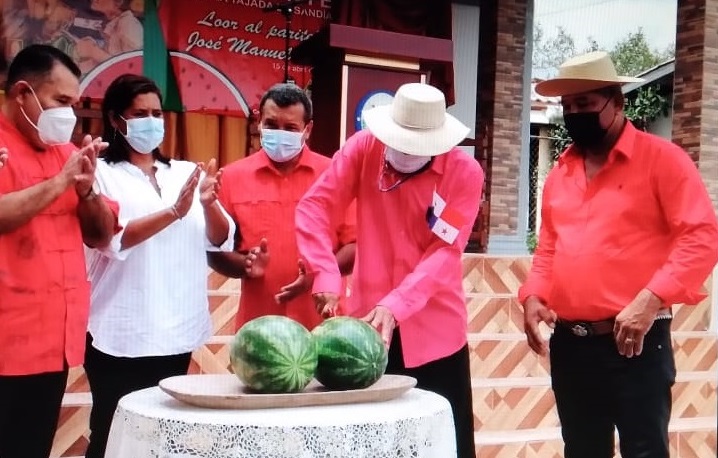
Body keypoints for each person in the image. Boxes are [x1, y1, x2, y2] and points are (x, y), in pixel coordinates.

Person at [519, 51, 718, 458]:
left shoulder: (663, 160)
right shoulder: (562, 172)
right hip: (572, 346)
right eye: (568, 107)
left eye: (586, 104)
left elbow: (702, 236)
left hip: (636, 344)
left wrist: (651, 299)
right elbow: (550, 245)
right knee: (582, 450)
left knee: (644, 450)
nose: (575, 114)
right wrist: (534, 294)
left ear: (617, 102)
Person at [295, 82, 484, 458]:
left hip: (435, 334)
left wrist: (396, 305)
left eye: (418, 148)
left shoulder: (464, 172)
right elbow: (314, 207)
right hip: (367, 335)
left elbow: (445, 252)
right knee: (373, 446)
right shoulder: (363, 149)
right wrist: (326, 272)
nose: (405, 152)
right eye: (399, 142)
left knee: (446, 442)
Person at [82, 73, 235, 458]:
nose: (152, 121)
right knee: (112, 432)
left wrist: (209, 203)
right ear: (117, 120)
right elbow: (110, 239)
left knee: (164, 437)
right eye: (140, 113)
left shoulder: (185, 172)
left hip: (175, 330)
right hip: (121, 332)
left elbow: (220, 238)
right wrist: (173, 212)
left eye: (156, 113)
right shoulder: (100, 174)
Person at [0, 44, 120, 458]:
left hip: (54, 341)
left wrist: (86, 192)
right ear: (22, 94)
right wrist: (59, 183)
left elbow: (101, 234)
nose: (68, 114)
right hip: (6, 342)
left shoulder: (70, 155)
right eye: (61, 101)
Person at [208, 83, 356, 331]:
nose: (280, 133)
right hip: (260, 330)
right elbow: (215, 251)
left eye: (290, 128)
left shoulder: (336, 175)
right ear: (259, 122)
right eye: (272, 125)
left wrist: (315, 275)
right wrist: (244, 265)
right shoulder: (231, 177)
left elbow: (355, 246)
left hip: (325, 325)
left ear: (307, 129)